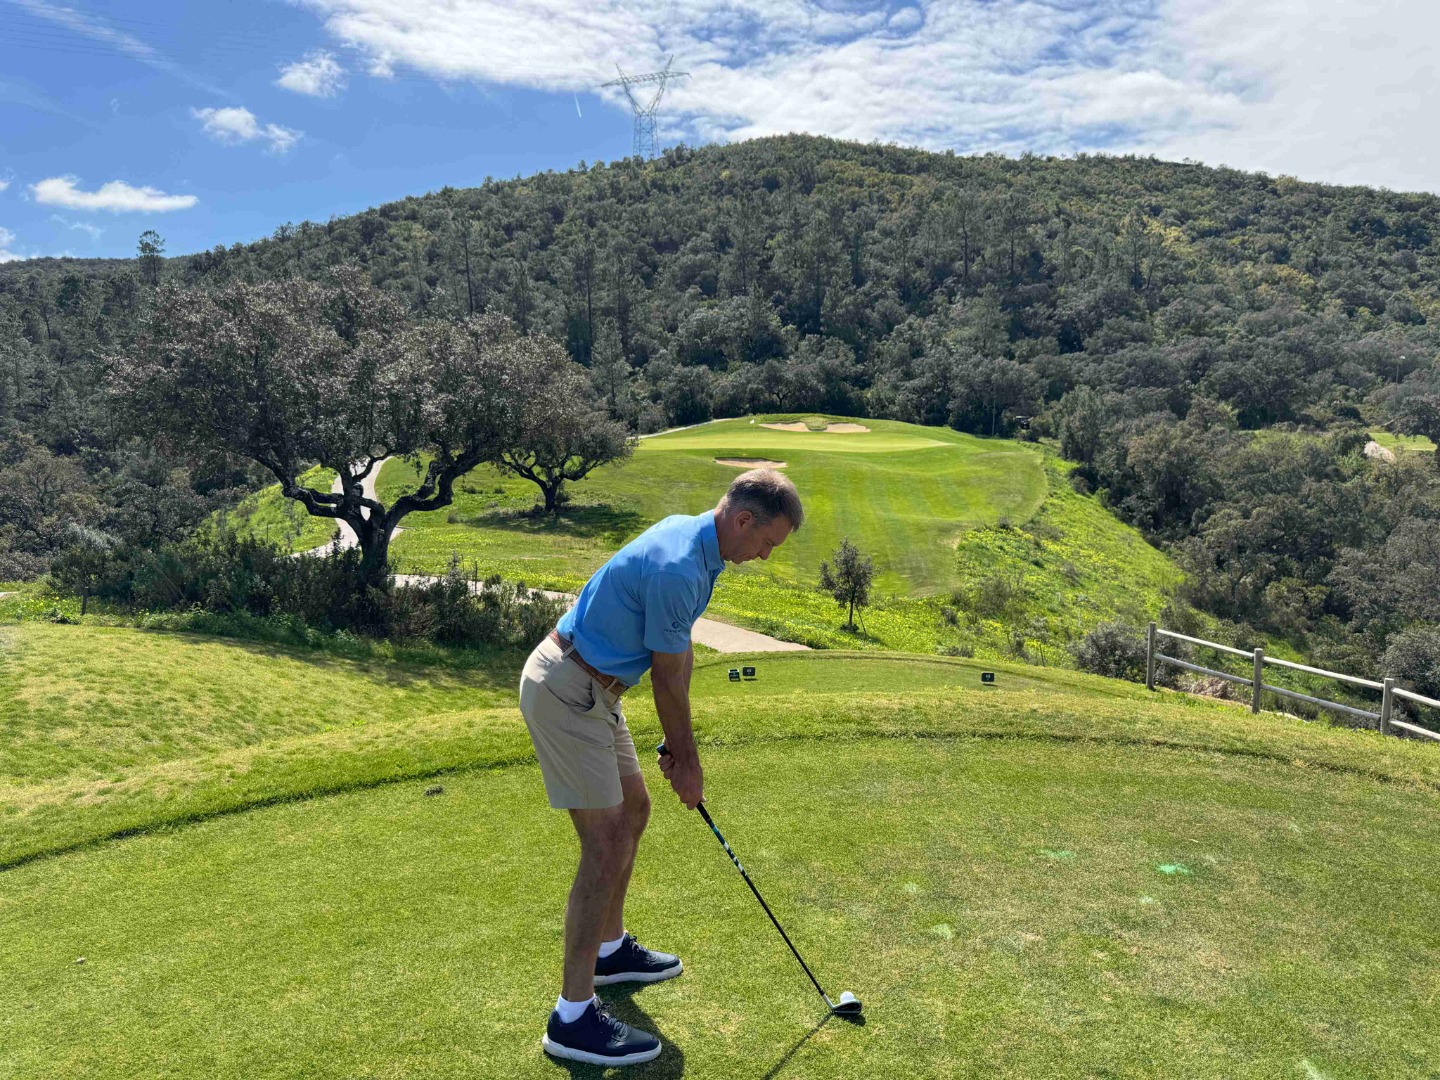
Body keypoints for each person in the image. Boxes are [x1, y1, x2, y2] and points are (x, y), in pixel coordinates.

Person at [518, 468, 804, 1067]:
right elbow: (668, 681)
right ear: (744, 520)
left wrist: (680, 751)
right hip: (568, 690)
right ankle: (571, 1017)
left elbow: (679, 653)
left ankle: (609, 950)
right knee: (604, 841)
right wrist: (689, 763)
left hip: (599, 690)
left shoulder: (703, 548)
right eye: (768, 543)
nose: (765, 555)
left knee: (636, 811)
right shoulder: (679, 565)